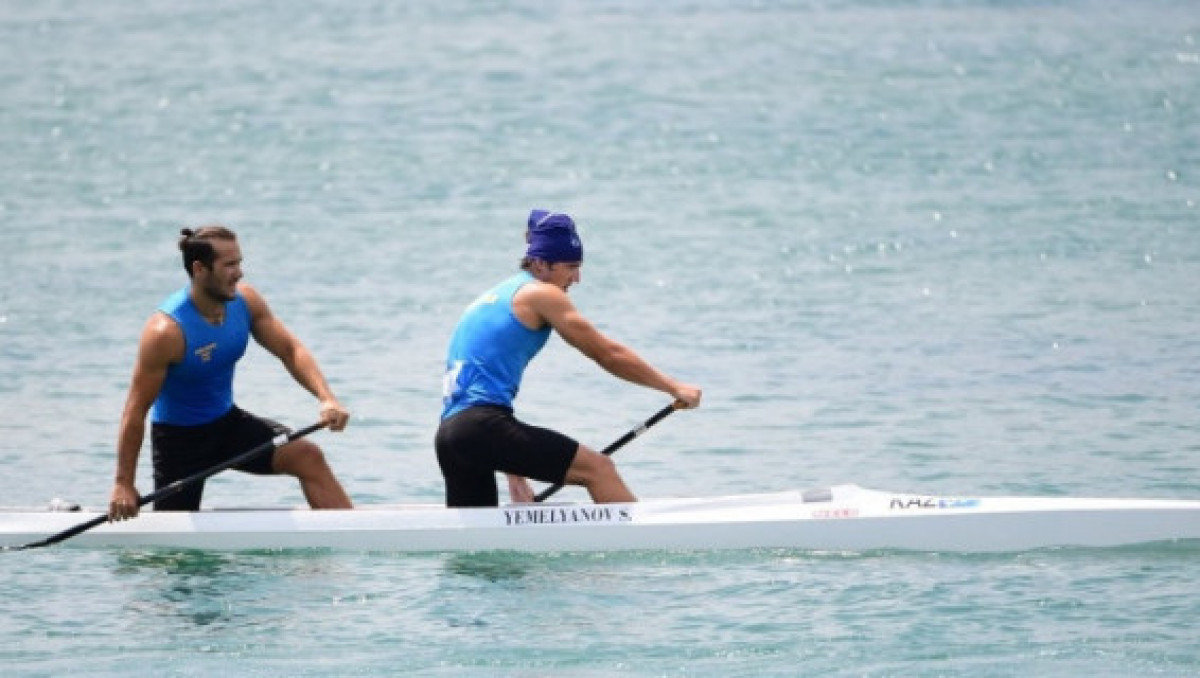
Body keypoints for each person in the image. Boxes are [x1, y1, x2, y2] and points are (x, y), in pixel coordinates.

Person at [435, 209, 702, 507]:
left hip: (451, 437)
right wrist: (673, 387)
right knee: (599, 470)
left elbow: (479, 393)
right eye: (570, 267)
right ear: (539, 263)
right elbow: (607, 354)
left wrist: (516, 474)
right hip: (481, 429)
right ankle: (645, 545)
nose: (576, 278)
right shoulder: (540, 294)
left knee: (478, 547)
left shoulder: (493, 297)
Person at [108, 225, 353, 520]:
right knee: (176, 553)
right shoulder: (166, 332)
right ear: (200, 269)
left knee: (307, 456)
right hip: (179, 442)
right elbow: (134, 411)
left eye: (239, 262)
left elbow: (290, 350)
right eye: (229, 265)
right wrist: (123, 484)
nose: (239, 273)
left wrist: (326, 398)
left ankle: (355, 536)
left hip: (228, 425)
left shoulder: (245, 302)